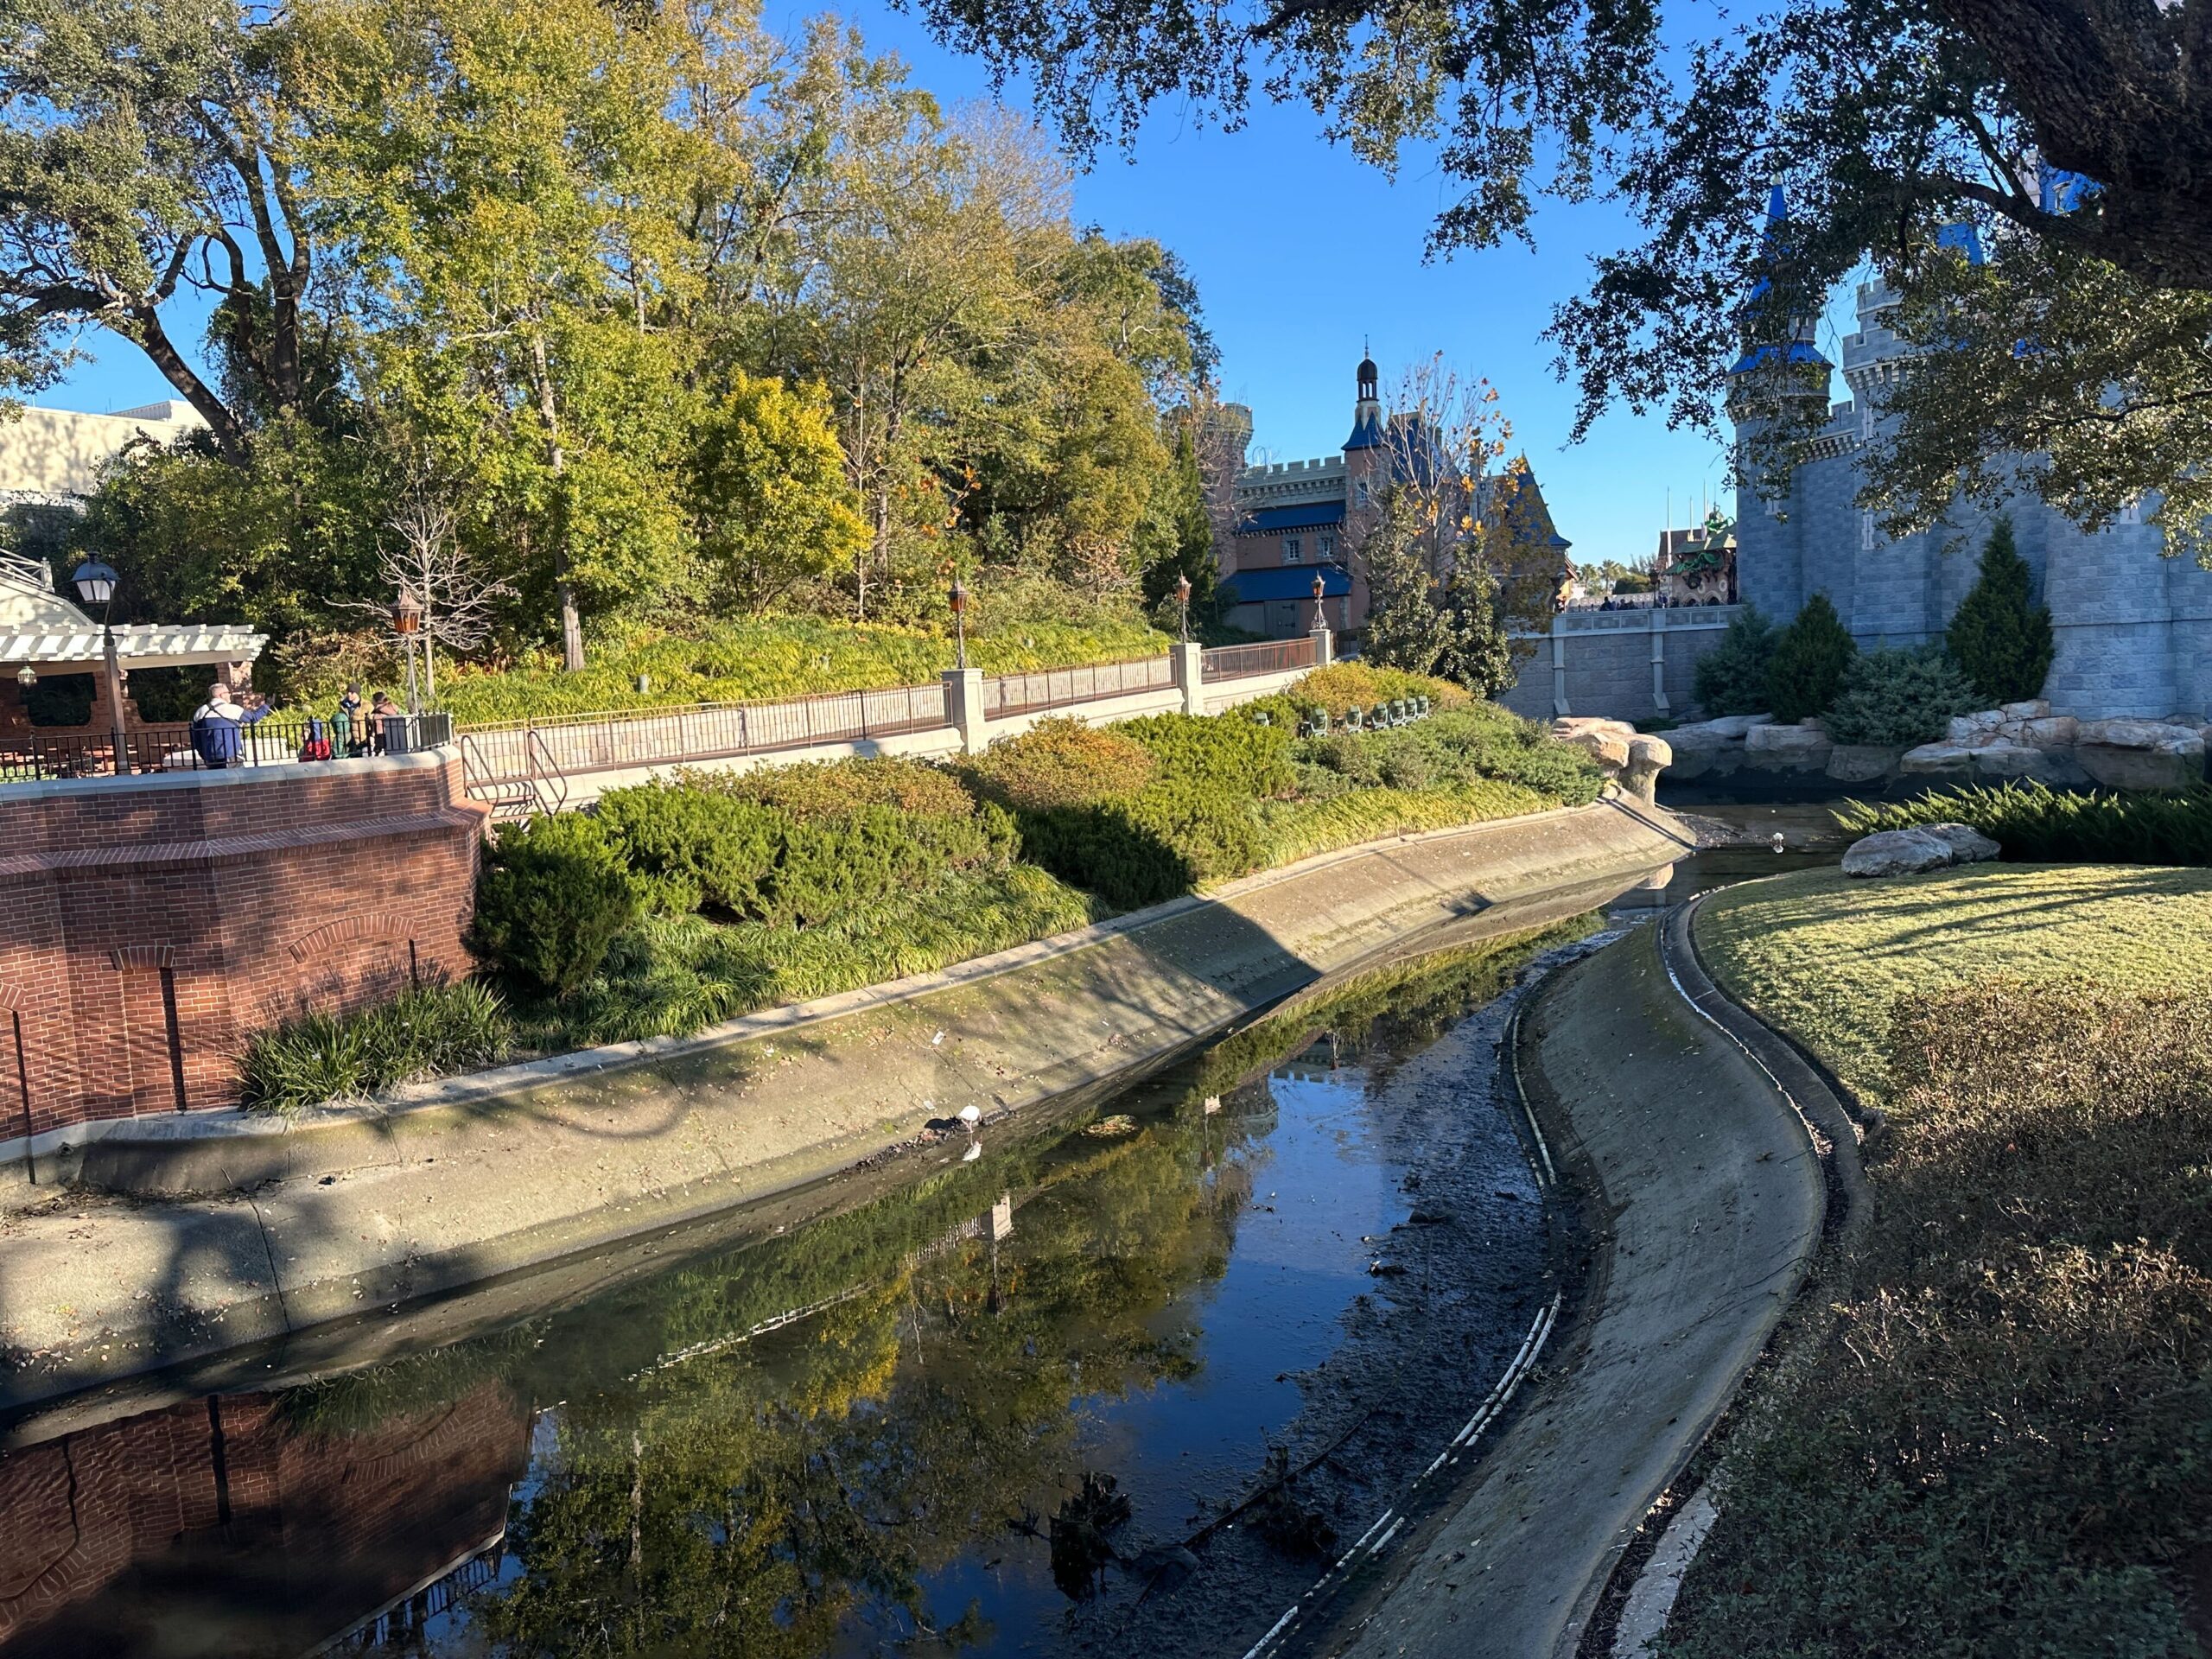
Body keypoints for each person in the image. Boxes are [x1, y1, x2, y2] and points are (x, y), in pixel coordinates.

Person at [189, 683, 271, 771]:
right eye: (228, 693)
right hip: (231, 754)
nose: (229, 695)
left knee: (216, 780)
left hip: (211, 756)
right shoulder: (232, 709)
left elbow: (196, 738)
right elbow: (253, 718)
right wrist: (267, 705)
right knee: (237, 780)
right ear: (221, 695)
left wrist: (203, 754)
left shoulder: (201, 711)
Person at [334, 682, 365, 758]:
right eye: (348, 691)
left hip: (361, 741)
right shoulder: (343, 705)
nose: (349, 694)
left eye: (352, 692)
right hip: (347, 741)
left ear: (357, 693)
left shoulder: (366, 706)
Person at [369, 690, 404, 755]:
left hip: (381, 734)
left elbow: (378, 725)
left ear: (377, 701)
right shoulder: (389, 708)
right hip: (392, 733)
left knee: (380, 752)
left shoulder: (379, 710)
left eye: (373, 699)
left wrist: (373, 735)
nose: (371, 701)